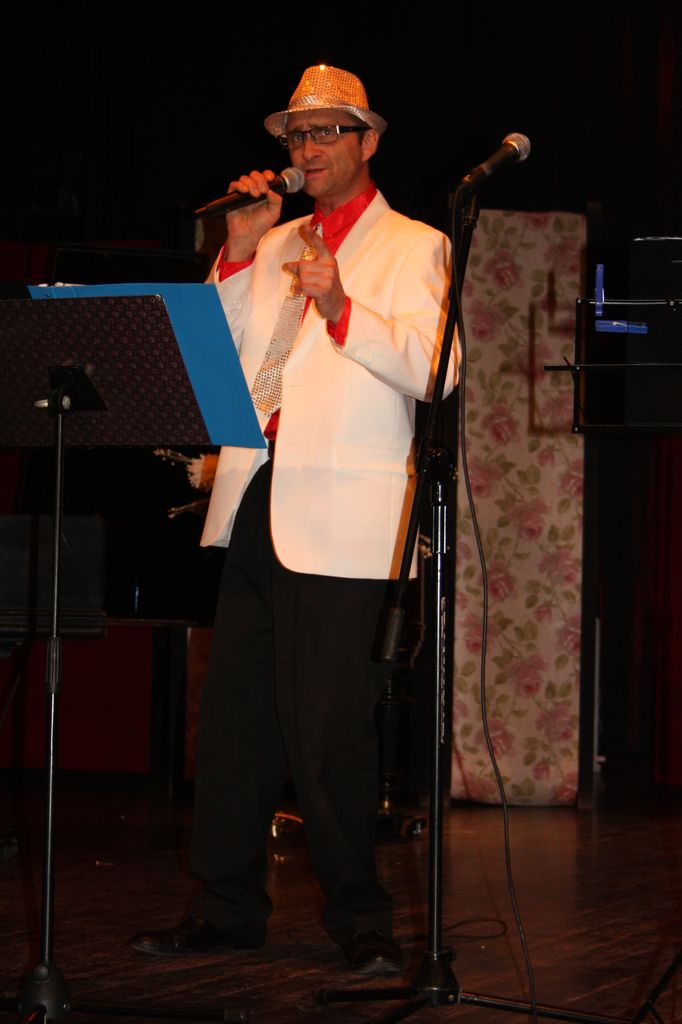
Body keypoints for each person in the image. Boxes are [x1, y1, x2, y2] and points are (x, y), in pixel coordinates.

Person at [132, 63, 458, 976]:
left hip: (346, 515)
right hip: (256, 496)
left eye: (325, 133)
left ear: (368, 141)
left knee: (326, 733)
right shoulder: (274, 240)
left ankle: (364, 920)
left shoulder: (415, 245)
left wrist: (343, 306)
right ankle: (226, 909)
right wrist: (238, 252)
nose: (306, 150)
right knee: (234, 724)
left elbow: (437, 370)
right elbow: (215, 360)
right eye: (296, 136)